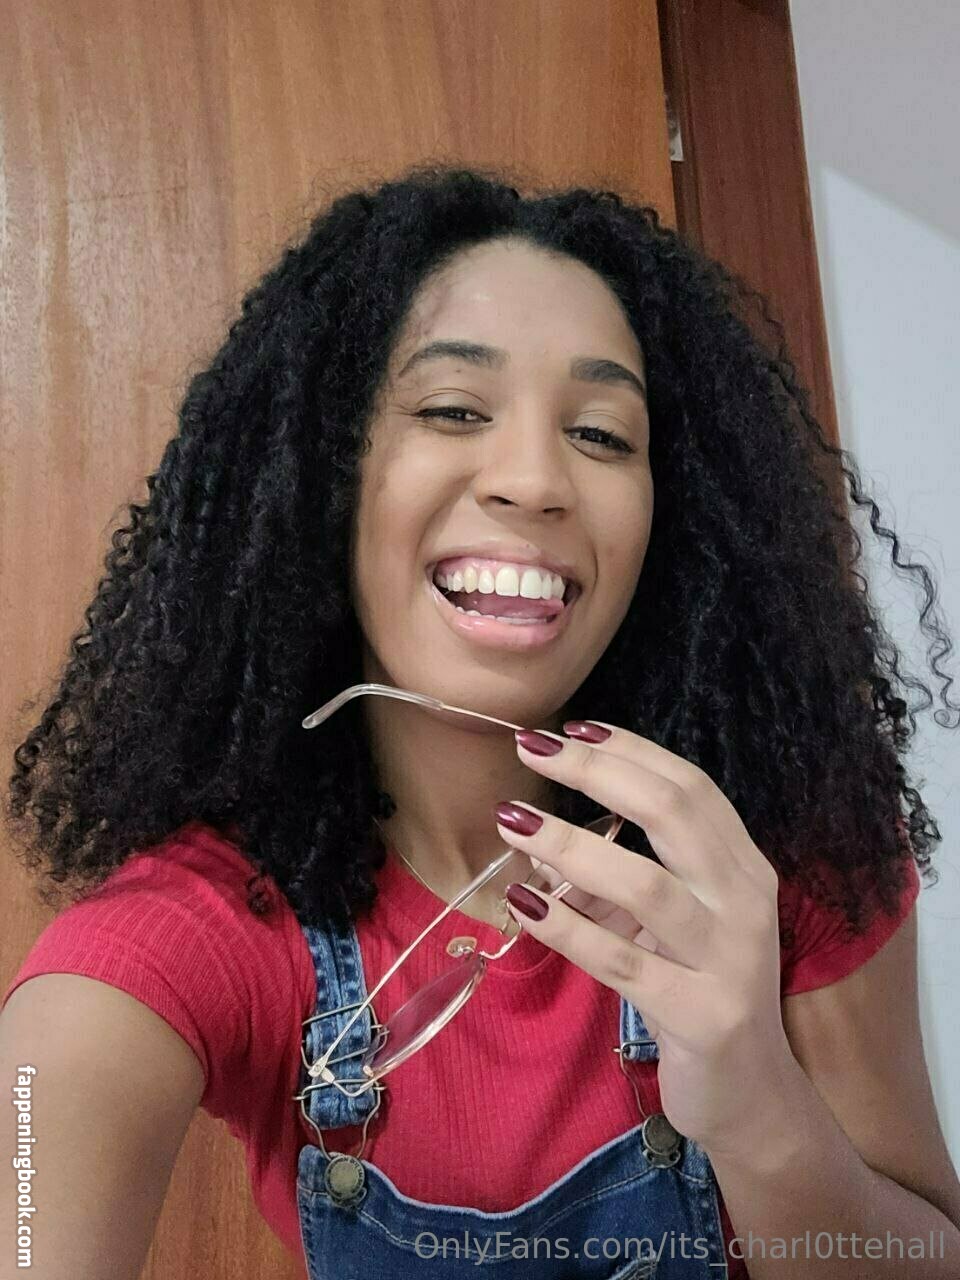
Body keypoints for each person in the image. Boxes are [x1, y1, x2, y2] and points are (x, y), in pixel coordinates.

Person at [2, 164, 959, 1279]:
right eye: (453, 410)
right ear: (321, 476)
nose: (534, 480)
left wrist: (759, 1108)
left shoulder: (789, 845)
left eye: (602, 434)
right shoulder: (201, 927)